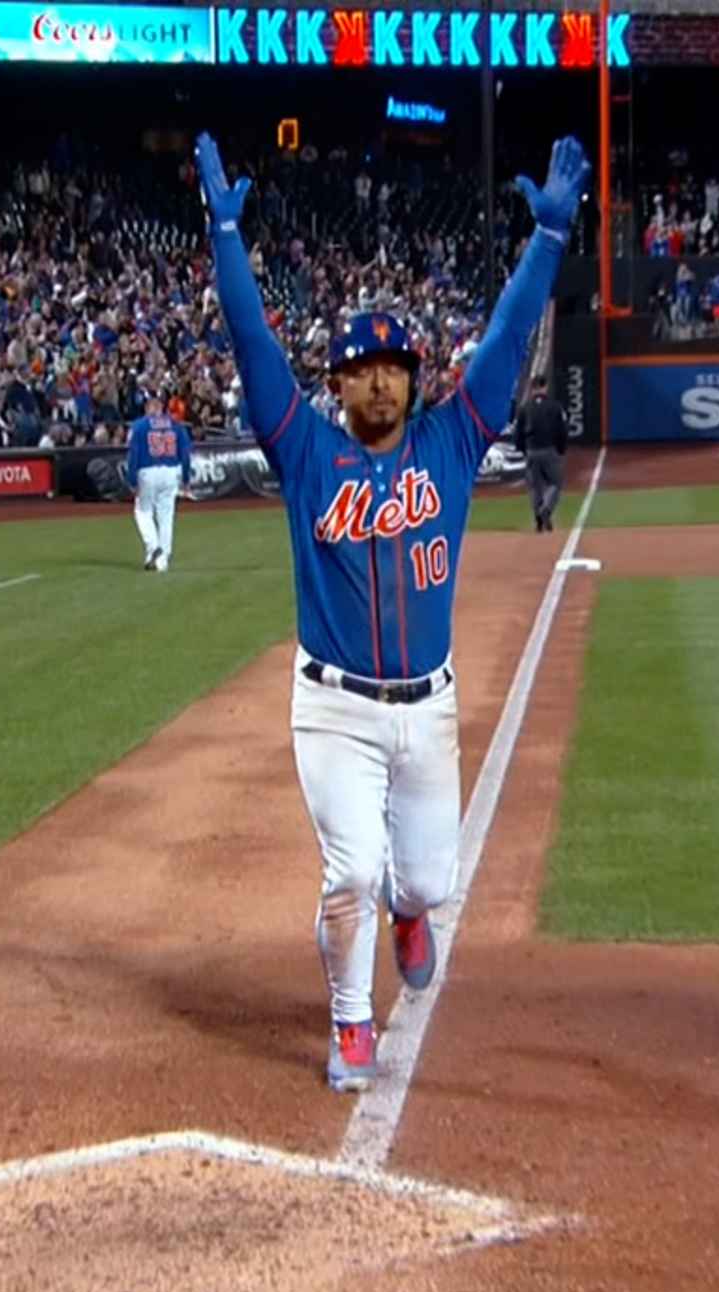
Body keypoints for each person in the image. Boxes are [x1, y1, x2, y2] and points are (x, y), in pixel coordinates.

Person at [195, 130, 588, 1093]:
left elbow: (501, 346)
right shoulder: (304, 451)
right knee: (351, 876)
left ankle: (412, 919)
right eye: (360, 366)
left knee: (424, 887)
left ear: (415, 378)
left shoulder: (452, 443)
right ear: (335, 384)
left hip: (429, 711)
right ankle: (350, 1023)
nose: (379, 377)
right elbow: (252, 343)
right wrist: (227, 233)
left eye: (395, 365)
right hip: (332, 709)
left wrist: (545, 243)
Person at [125, 404, 194, 572]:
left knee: (143, 511)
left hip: (147, 470)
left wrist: (132, 480)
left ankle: (153, 546)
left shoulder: (139, 426)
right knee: (166, 515)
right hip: (171, 470)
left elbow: (133, 453)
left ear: (147, 409)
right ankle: (161, 560)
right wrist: (186, 477)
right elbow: (185, 454)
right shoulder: (176, 425)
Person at [514, 375, 567, 533]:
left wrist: (523, 450)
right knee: (555, 483)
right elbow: (562, 430)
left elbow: (518, 434)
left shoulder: (524, 408)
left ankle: (538, 518)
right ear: (545, 387)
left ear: (532, 388)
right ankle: (546, 509)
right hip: (549, 449)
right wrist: (561, 449)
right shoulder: (555, 406)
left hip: (531, 451)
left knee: (534, 487)